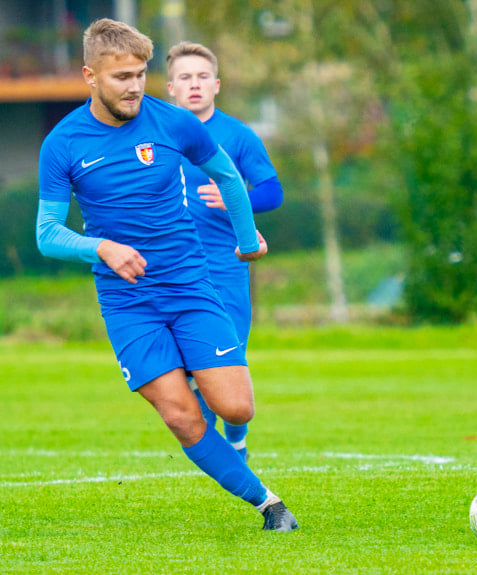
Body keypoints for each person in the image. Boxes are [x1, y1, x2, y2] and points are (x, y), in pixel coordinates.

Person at [36, 18, 297, 532]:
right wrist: (101, 247)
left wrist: (247, 241)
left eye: (140, 74)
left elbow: (226, 174)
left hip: (190, 285)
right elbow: (46, 233)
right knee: (181, 416)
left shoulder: (175, 122)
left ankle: (194, 369)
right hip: (128, 301)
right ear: (90, 75)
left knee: (237, 408)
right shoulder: (62, 143)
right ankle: (270, 506)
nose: (134, 86)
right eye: (120, 77)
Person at [165, 41, 284, 463]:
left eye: (201, 77)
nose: (193, 85)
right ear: (170, 88)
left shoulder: (237, 135)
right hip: (171, 269)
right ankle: (215, 450)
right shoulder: (156, 133)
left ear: (216, 85)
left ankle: (237, 434)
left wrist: (238, 198)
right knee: (185, 367)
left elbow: (272, 190)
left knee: (227, 359)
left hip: (225, 265)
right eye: (184, 77)